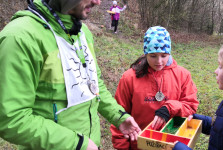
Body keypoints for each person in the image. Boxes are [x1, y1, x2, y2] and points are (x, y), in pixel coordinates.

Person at [0, 0, 141, 150]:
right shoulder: (20, 38)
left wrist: (118, 116)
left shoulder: (82, 31)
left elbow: (93, 84)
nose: (97, 2)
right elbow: (12, 119)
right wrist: (77, 144)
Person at [110, 26, 199, 149]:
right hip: (139, 145)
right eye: (153, 56)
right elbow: (119, 115)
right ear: (146, 53)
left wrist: (169, 108)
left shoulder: (182, 75)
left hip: (171, 145)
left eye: (164, 55)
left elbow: (190, 106)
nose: (159, 61)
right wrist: (122, 147)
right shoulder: (129, 77)